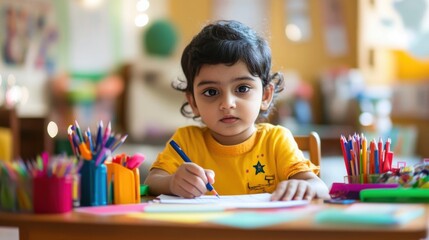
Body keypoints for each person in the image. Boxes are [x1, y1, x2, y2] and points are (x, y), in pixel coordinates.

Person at [144, 20, 330, 201]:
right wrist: (172, 182)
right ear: (193, 102)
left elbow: (319, 187)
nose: (227, 103)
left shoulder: (276, 141)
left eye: (242, 88)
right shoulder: (186, 141)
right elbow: (151, 181)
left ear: (265, 95)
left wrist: (304, 186)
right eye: (211, 92)